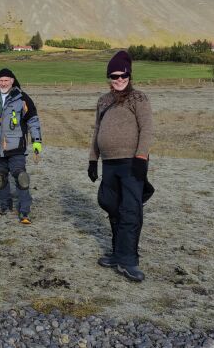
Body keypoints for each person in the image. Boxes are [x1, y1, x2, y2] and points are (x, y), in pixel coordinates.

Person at [87, 50, 153, 282]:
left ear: (129, 76)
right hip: (109, 163)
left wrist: (141, 157)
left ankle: (129, 260)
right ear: (109, 77)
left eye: (123, 76)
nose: (119, 80)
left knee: (131, 210)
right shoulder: (103, 100)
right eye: (115, 76)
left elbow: (146, 129)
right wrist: (93, 159)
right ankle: (117, 252)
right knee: (108, 202)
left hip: (132, 162)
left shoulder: (139, 99)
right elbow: (97, 130)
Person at [0, 68, 42, 224]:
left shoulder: (22, 99)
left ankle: (24, 211)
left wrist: (37, 140)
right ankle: (5, 206)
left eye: (6, 80)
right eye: (0, 80)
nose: (3, 83)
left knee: (21, 177)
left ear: (12, 81)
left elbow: (33, 120)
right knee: (0, 178)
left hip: (16, 146)